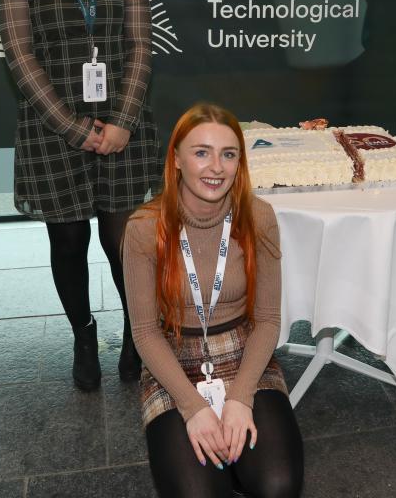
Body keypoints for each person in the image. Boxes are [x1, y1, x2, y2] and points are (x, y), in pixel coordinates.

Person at [0, 0, 159, 388]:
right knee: (68, 244)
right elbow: (21, 56)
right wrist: (75, 128)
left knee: (124, 245)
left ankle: (139, 335)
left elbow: (140, 45)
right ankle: (84, 334)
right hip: (52, 128)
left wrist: (123, 120)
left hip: (123, 129)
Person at [124, 103, 303, 498]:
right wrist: (193, 408)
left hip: (243, 350)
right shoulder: (143, 228)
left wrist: (240, 398)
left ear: (240, 163)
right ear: (176, 160)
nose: (216, 167)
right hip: (171, 355)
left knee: (279, 485)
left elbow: (269, 320)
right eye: (201, 152)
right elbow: (145, 332)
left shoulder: (259, 217)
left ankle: (241, 466)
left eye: (228, 154)